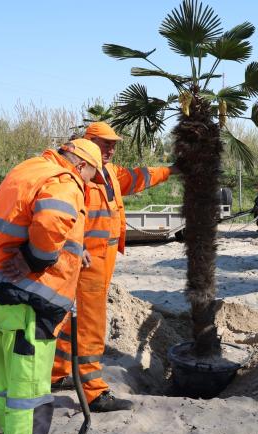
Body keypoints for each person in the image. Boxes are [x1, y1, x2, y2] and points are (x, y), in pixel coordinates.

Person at [0, 139, 104, 434]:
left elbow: (27, 220)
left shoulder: (29, 169)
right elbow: (52, 219)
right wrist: (33, 259)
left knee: (6, 388)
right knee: (29, 394)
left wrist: (72, 251)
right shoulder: (64, 179)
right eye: (90, 177)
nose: (87, 183)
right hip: (26, 302)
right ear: (80, 164)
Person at [51, 122, 177, 412]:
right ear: (87, 142)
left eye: (113, 144)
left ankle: (58, 374)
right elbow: (63, 215)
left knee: (72, 322)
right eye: (104, 143)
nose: (110, 149)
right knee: (91, 326)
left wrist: (172, 170)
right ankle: (94, 392)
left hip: (101, 259)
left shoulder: (107, 172)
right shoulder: (78, 174)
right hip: (87, 262)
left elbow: (137, 177)